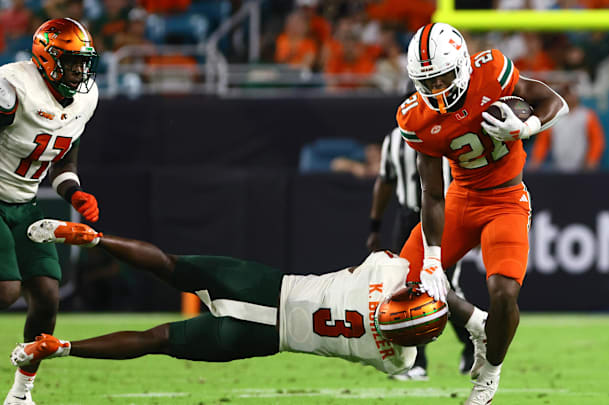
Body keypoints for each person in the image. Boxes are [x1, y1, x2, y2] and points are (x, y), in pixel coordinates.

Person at [12, 219, 490, 389]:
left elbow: (413, 254)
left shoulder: (384, 273)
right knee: (154, 341)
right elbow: (411, 330)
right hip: (260, 339)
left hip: (264, 286)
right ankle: (61, 347)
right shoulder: (398, 357)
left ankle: (93, 239)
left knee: (169, 265)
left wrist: (434, 286)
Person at [396, 22, 568, 404]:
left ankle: (488, 376)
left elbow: (556, 101)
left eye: (442, 79)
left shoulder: (491, 71)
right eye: (428, 82)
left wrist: (526, 127)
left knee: (504, 292)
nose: (437, 90)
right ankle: (477, 324)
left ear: (460, 66)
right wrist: (433, 259)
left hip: (506, 199)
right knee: (402, 282)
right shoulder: (417, 117)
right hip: (460, 198)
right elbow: (432, 193)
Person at [0, 18, 101, 405]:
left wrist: (73, 192)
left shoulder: (86, 99)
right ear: (46, 58)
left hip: (25, 203)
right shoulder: (13, 89)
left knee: (46, 296)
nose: (79, 71)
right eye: (71, 62)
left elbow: (63, 159)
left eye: (83, 62)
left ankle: (20, 394)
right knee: (6, 290)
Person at [367, 126, 474, 380]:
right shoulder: (393, 138)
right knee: (408, 285)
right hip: (408, 218)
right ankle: (419, 359)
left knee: (443, 286)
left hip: (442, 215)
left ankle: (473, 340)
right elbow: (385, 180)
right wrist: (375, 224)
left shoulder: (450, 131)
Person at [529, 84, 605, 172]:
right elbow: (543, 142)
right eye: (567, 94)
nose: (570, 97)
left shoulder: (587, 115)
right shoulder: (555, 116)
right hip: (559, 166)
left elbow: (596, 140)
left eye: (572, 94)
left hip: (582, 167)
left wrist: (592, 159)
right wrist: (536, 160)